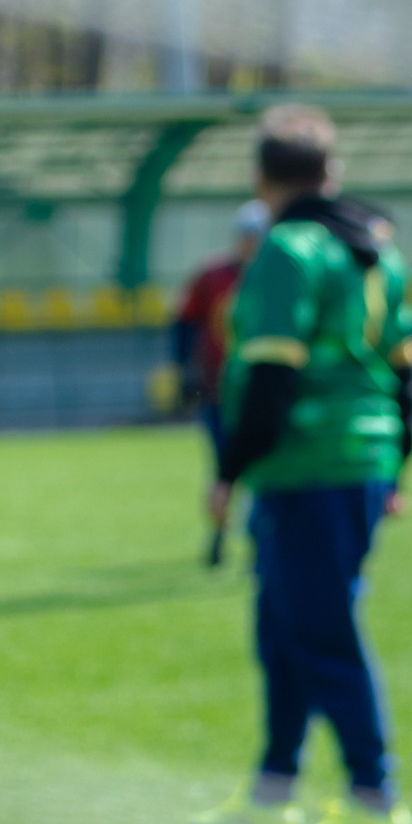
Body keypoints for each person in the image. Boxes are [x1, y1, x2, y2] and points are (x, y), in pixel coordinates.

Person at [190, 105, 412, 824]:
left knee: (318, 631)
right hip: (359, 459)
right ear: (333, 173)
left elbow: (266, 375)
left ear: (261, 179)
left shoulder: (288, 248)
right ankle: (271, 794)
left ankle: (374, 800)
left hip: (306, 464)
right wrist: (397, 464)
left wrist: (229, 469)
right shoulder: (376, 250)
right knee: (283, 629)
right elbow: (404, 369)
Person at [173, 199, 274, 567]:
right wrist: (184, 371)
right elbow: (184, 323)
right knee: (222, 467)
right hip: (219, 390)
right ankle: (219, 532)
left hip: (261, 390)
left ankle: (258, 535)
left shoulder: (278, 275)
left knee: (262, 466)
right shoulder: (213, 275)